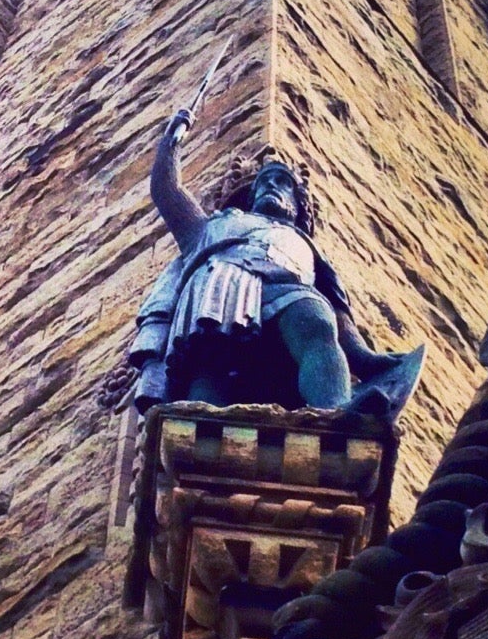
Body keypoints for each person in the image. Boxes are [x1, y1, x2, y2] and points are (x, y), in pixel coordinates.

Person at [127, 105, 422, 416]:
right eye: (263, 182)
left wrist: (363, 358)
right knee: (210, 359)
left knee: (319, 323)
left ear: (298, 204)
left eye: (283, 182)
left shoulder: (306, 246)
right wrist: (171, 140)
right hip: (222, 283)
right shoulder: (212, 226)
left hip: (288, 285)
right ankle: (199, 421)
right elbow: (168, 192)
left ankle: (336, 411)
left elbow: (338, 310)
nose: (270, 186)